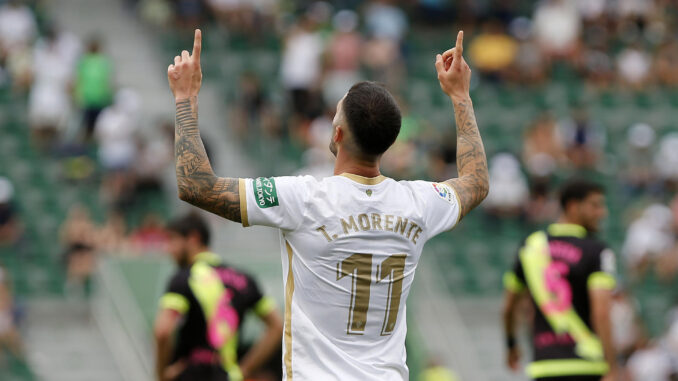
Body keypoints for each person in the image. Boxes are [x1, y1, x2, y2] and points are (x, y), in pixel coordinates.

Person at [167, 29, 488, 380]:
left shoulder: (304, 199)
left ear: (336, 135)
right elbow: (476, 183)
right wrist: (460, 96)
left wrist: (186, 98)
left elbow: (196, 186)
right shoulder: (419, 202)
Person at [502, 180, 618, 381]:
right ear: (573, 206)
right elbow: (601, 313)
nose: (602, 213)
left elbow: (508, 308)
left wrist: (511, 345)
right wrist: (612, 367)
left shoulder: (530, 247)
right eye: (595, 205)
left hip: (545, 366)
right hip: (586, 365)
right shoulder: (597, 251)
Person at [154, 214, 283, 381]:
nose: (169, 249)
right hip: (226, 376)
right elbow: (277, 327)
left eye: (173, 240)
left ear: (193, 238)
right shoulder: (244, 279)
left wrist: (161, 373)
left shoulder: (183, 278)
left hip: (190, 374)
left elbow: (163, 331)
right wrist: (243, 371)